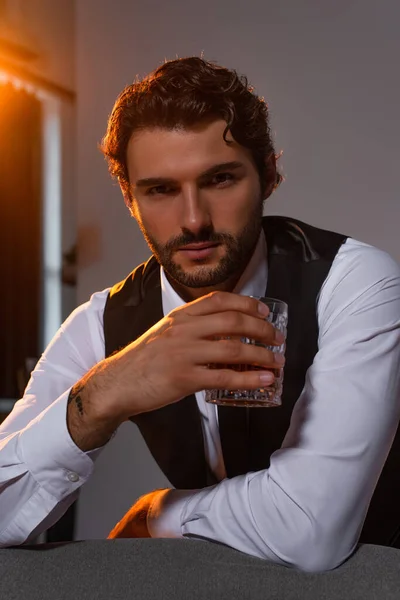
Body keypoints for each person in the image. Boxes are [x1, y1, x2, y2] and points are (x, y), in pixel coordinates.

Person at [1, 57, 400, 572]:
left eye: (220, 179)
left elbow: (310, 530)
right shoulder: (102, 323)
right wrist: (102, 395)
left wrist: (157, 512)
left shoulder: (355, 282)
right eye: (161, 190)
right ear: (130, 197)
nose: (194, 221)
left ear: (270, 175)